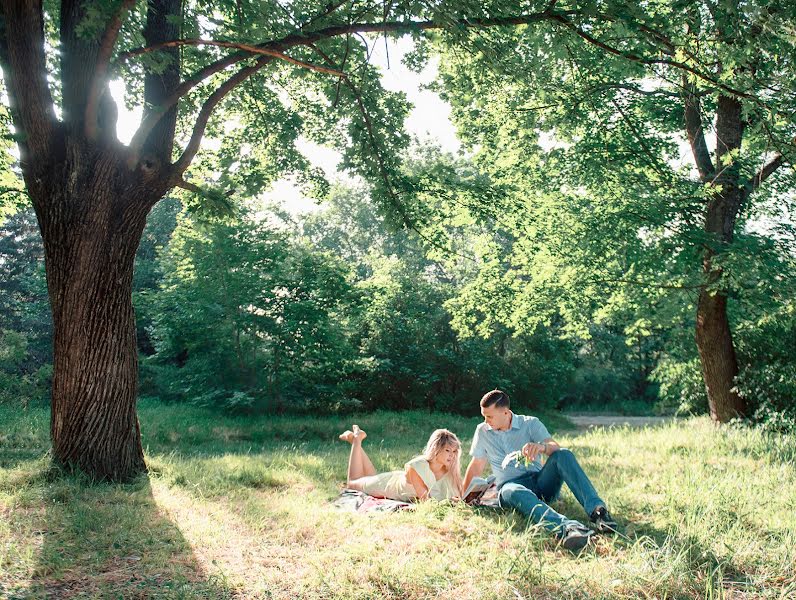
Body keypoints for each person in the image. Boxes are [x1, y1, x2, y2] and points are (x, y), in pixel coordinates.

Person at [462, 389, 618, 551]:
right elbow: (476, 465)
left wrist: (541, 447)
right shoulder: (483, 431)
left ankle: (599, 513)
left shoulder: (530, 424)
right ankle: (569, 529)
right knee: (511, 491)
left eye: (489, 416)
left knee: (563, 454)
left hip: (540, 482)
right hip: (511, 488)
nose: (486, 421)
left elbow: (554, 447)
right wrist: (463, 497)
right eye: (484, 416)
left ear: (506, 412)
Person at [339, 425, 463, 501]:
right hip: (388, 485)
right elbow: (426, 501)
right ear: (436, 449)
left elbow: (457, 496)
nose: (452, 455)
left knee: (369, 476)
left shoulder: (449, 471)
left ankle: (356, 440)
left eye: (454, 451)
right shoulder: (418, 466)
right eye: (447, 450)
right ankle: (356, 440)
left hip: (395, 479)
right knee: (353, 482)